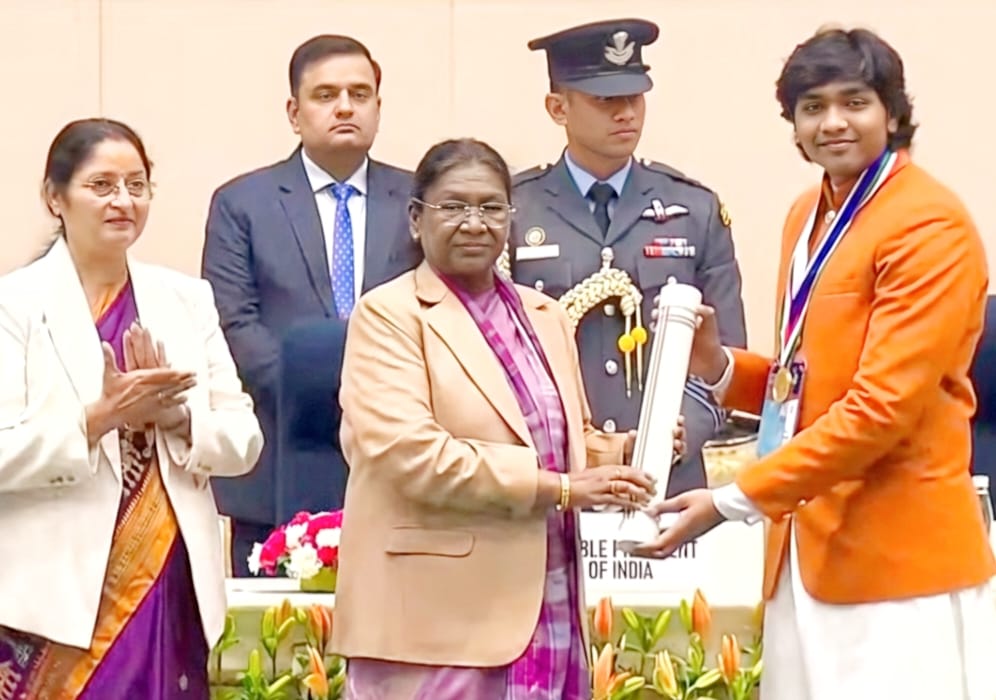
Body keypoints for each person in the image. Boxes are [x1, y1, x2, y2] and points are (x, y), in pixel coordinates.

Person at [634, 28, 996, 699]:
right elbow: (803, 383)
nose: (833, 122)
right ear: (794, 126)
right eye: (812, 106)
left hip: (895, 565)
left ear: (891, 111)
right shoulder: (809, 212)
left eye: (854, 102)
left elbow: (880, 409)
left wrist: (731, 500)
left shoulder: (928, 223)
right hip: (802, 552)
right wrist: (718, 364)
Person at [332, 138, 683, 700]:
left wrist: (624, 455)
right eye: (454, 207)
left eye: (492, 208)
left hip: (547, 600)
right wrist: (563, 488)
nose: (475, 223)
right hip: (435, 621)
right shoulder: (388, 315)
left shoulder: (544, 315)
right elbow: (411, 456)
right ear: (417, 219)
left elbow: (556, 440)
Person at [0, 118, 263, 699]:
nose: (124, 201)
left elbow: (244, 437)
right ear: (54, 197)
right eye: (102, 186)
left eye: (137, 185)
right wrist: (98, 419)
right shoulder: (14, 304)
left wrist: (176, 418)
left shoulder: (185, 299)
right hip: (55, 593)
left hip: (166, 575)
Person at [202, 34, 421, 574]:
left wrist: (382, 398)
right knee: (279, 649)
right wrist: (331, 389)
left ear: (377, 106)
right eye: (326, 95)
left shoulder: (419, 198)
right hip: (278, 451)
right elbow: (234, 322)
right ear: (294, 113)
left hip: (400, 451)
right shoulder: (242, 204)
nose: (345, 106)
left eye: (359, 94)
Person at [510, 18, 747, 496]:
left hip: (668, 479)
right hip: (562, 475)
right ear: (558, 107)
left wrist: (681, 429)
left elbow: (725, 357)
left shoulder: (694, 208)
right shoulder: (516, 210)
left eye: (634, 98)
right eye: (605, 101)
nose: (626, 114)